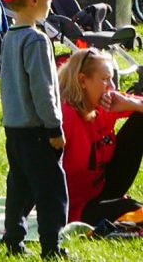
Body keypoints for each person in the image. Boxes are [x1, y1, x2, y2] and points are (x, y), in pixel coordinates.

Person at [0, 0, 69, 258]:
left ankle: (13, 239)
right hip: (38, 130)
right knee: (51, 190)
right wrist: (54, 127)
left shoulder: (9, 37)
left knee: (19, 187)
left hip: (14, 129)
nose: (51, 2)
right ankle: (51, 246)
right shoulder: (36, 39)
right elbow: (43, 89)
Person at [58, 48, 143, 227]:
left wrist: (131, 103)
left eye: (112, 79)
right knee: (132, 209)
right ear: (82, 80)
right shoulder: (66, 115)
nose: (112, 87)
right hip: (77, 207)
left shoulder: (105, 104)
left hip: (103, 188)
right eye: (105, 79)